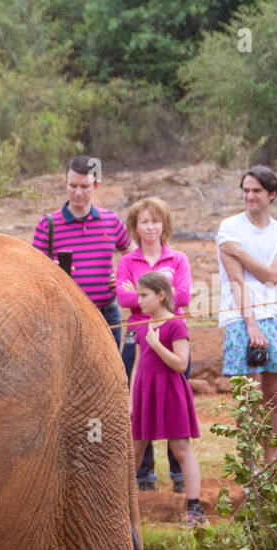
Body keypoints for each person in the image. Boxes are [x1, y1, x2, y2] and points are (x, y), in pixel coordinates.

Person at [216, 165, 277, 461]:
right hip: (241, 318)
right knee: (248, 399)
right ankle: (249, 468)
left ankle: (272, 465)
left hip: (276, 316)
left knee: (274, 398)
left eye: (257, 191)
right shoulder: (229, 227)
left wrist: (241, 253)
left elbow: (273, 276)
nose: (249, 196)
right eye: (246, 190)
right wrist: (251, 325)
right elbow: (237, 281)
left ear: (272, 195)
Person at [117, 197, 193, 492]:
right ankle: (144, 475)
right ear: (135, 228)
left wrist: (144, 293)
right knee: (140, 403)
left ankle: (179, 474)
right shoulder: (127, 261)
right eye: (144, 221)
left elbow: (185, 296)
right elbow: (122, 299)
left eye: (155, 221)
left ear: (164, 225)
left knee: (175, 401)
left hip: (173, 336)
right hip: (138, 338)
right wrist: (165, 290)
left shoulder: (178, 259)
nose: (150, 227)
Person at [32, 154, 131, 347]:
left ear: (95, 186)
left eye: (84, 187)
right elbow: (31, 272)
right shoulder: (47, 225)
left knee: (109, 375)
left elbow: (134, 255)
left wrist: (123, 276)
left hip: (106, 314)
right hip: (64, 316)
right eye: (73, 185)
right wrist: (51, 271)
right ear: (65, 183)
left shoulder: (111, 220)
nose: (78, 192)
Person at [130, 272, 203, 527]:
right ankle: (125, 506)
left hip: (170, 390)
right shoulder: (140, 327)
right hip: (145, 392)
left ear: (161, 296)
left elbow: (181, 364)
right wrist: (131, 399)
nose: (139, 300)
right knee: (136, 449)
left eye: (144, 295)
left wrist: (157, 343)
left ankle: (195, 507)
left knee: (181, 448)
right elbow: (137, 367)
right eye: (138, 295)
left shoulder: (176, 324)